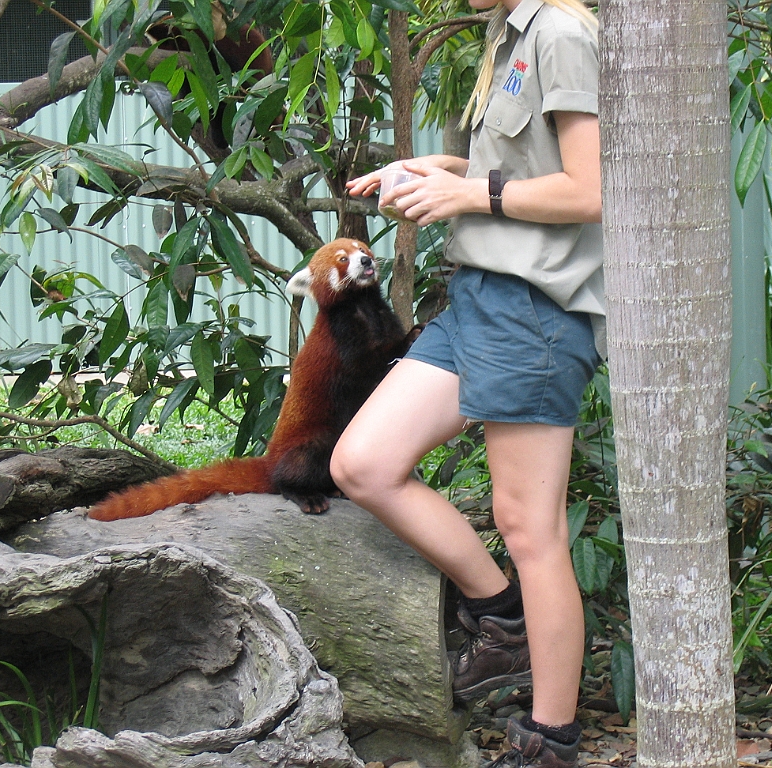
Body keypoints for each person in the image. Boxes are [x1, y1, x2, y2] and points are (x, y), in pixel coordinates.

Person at [331, 0, 603, 764]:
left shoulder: (562, 32)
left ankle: (550, 739)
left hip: (535, 311)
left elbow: (592, 190)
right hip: (477, 296)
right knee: (364, 464)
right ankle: (500, 618)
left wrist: (469, 195)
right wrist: (433, 172)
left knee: (530, 528)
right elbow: (512, 172)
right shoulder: (507, 31)